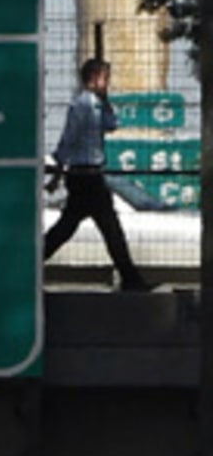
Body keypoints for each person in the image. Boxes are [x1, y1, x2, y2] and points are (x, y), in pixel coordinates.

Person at [42, 57, 154, 292]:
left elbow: (112, 124)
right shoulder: (82, 105)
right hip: (85, 177)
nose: (108, 84)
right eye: (105, 79)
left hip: (90, 176)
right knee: (109, 228)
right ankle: (131, 278)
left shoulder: (97, 104)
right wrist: (57, 171)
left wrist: (107, 101)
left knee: (68, 227)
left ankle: (32, 262)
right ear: (94, 79)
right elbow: (68, 139)